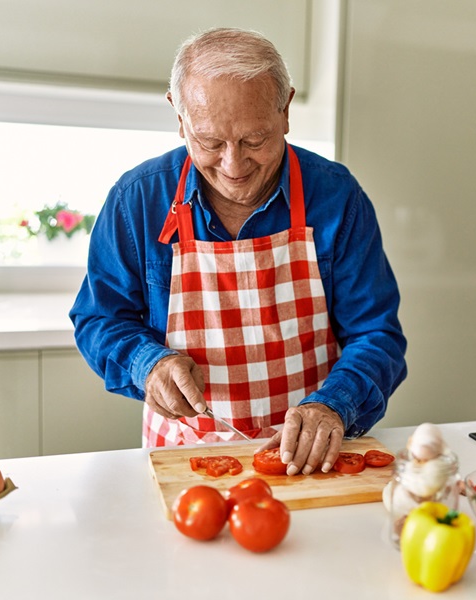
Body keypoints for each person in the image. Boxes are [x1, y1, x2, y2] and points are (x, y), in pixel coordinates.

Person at [70, 27, 407, 476]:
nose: (233, 165)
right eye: (210, 142)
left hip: (311, 458)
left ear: (285, 110)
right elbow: (100, 319)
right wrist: (146, 363)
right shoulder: (138, 200)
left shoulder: (337, 197)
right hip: (184, 457)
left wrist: (335, 405)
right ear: (179, 114)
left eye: (255, 140)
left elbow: (376, 335)